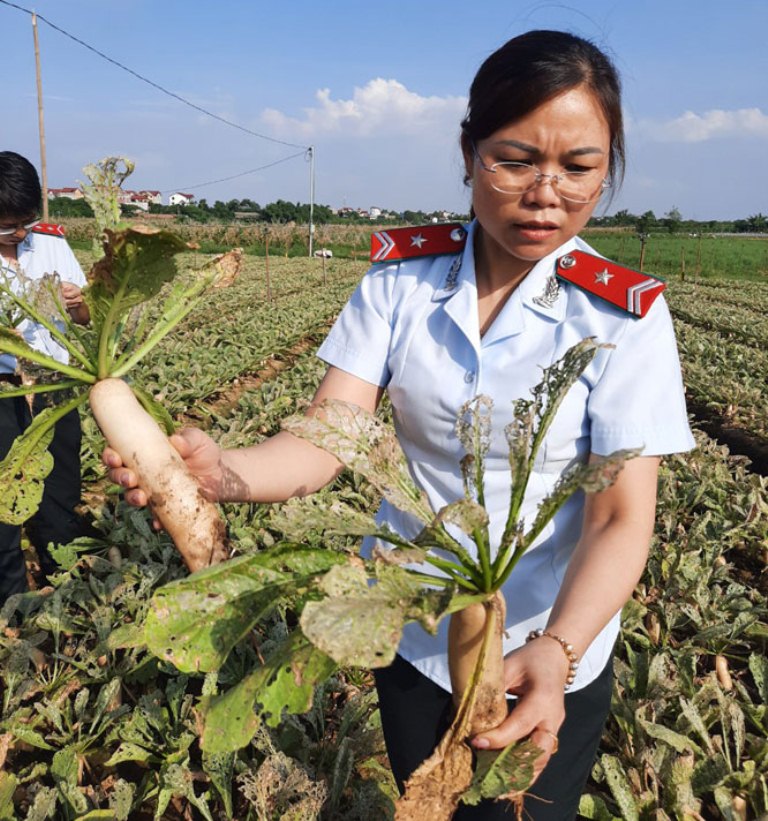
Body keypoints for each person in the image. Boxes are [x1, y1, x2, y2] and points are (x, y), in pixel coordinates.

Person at [105, 30, 694, 820]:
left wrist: (557, 649)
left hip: (553, 646)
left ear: (607, 167)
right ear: (468, 150)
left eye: (579, 167)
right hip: (415, 627)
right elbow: (327, 435)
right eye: (514, 159)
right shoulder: (401, 281)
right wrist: (220, 473)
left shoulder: (625, 316)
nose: (546, 191)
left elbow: (620, 515)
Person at [0, 150, 90, 605]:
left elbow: (89, 318)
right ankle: (9, 602)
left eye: (25, 221)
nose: (18, 233)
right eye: (8, 223)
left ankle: (64, 582)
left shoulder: (52, 242)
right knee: (2, 501)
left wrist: (77, 305)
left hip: (54, 387)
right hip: (3, 391)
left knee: (60, 490)